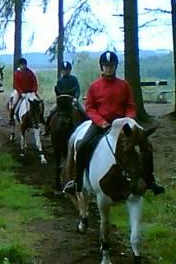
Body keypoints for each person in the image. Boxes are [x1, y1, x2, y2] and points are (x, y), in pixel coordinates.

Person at [63, 51, 163, 195]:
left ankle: (150, 179)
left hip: (123, 124)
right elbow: (90, 107)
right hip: (100, 124)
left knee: (146, 145)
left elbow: (130, 105)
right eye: (106, 66)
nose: (109, 68)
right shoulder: (94, 86)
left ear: (116, 67)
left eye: (111, 66)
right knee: (83, 144)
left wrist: (128, 118)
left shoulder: (124, 85)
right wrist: (101, 122)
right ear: (101, 67)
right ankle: (77, 181)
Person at [43, 61, 83, 136]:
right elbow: (57, 92)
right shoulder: (59, 81)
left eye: (67, 70)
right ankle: (47, 128)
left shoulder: (74, 79)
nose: (65, 71)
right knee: (52, 112)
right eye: (64, 70)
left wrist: (76, 98)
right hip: (62, 101)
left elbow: (77, 90)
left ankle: (85, 126)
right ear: (61, 71)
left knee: (82, 111)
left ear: (70, 70)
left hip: (72, 100)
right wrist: (58, 99)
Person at [8, 57, 38, 123]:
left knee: (39, 102)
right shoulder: (17, 73)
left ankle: (40, 117)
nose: (24, 66)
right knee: (14, 102)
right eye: (22, 65)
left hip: (30, 92)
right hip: (20, 92)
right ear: (20, 65)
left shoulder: (30, 72)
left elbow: (34, 82)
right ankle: (11, 117)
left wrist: (34, 91)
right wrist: (21, 93)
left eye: (25, 64)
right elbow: (16, 85)